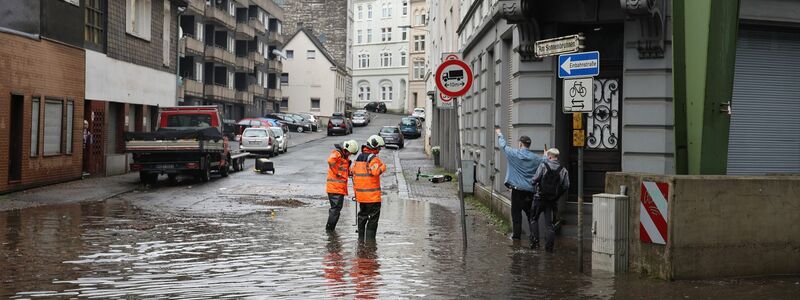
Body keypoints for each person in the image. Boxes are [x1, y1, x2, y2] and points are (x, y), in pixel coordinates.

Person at [495, 128, 547, 245]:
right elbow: (545, 161)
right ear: (529, 145)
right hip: (530, 191)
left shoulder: (513, 154)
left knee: (516, 215)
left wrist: (500, 134)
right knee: (531, 216)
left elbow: (503, 146)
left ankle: (516, 238)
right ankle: (534, 239)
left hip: (517, 191)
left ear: (520, 144)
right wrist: (545, 154)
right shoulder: (535, 158)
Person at [531, 148, 570, 252]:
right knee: (549, 225)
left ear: (549, 156)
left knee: (534, 219)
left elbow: (534, 180)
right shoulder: (563, 170)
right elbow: (566, 186)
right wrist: (557, 195)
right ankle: (549, 249)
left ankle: (535, 244)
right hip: (552, 201)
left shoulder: (543, 166)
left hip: (539, 198)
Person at [353, 135, 387, 241]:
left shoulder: (358, 157)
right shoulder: (373, 159)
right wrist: (383, 167)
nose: (379, 150)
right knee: (373, 219)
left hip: (361, 196)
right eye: (379, 148)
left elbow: (352, 171)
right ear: (374, 146)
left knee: (362, 216)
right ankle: (370, 242)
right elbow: (375, 172)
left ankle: (361, 240)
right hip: (372, 197)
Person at [326, 139, 359, 231]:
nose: (350, 155)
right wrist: (337, 173)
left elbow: (344, 169)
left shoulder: (344, 157)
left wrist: (350, 172)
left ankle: (331, 231)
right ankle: (329, 231)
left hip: (339, 188)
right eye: (350, 153)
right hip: (334, 188)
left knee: (336, 210)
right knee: (335, 210)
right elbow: (330, 161)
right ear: (346, 150)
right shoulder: (337, 153)